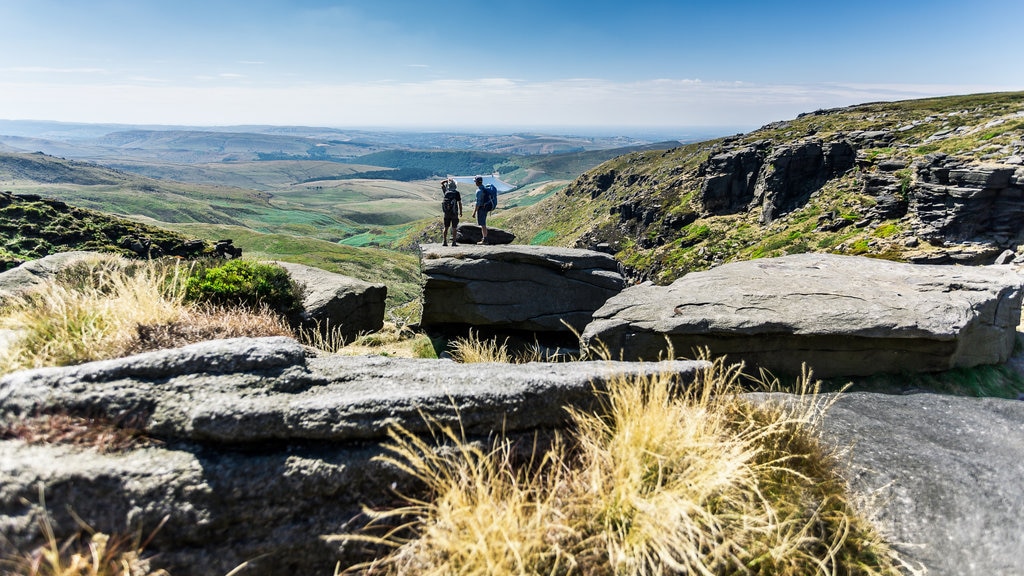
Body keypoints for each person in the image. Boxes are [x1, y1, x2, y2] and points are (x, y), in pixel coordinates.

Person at [440, 179, 462, 246]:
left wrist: (447, 180)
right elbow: (459, 203)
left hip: (446, 213)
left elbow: (441, 184)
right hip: (454, 213)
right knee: (454, 227)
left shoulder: (446, 192)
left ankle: (444, 241)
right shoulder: (456, 193)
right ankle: (454, 242)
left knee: (446, 227)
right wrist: (460, 212)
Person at [472, 175, 490, 244]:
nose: (475, 183)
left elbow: (478, 203)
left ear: (477, 182)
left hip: (481, 208)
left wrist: (474, 213)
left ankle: (485, 240)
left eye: (475, 181)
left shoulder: (479, 191)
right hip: (485, 208)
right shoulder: (485, 188)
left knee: (483, 224)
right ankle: (485, 238)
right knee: (483, 224)